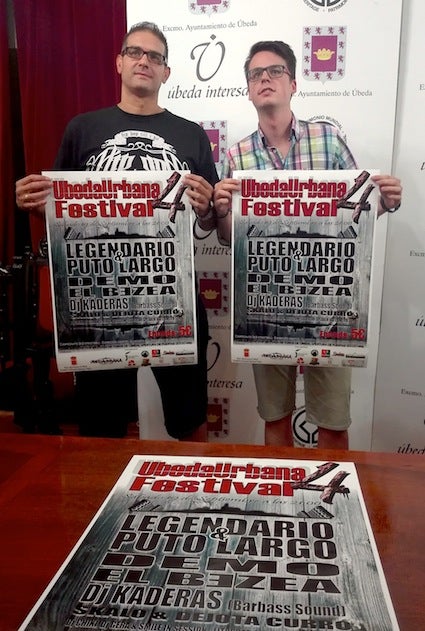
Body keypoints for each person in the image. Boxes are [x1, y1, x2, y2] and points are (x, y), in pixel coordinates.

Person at [15, 21, 219, 441]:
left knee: (190, 420)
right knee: (102, 428)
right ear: (119, 62)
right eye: (135, 52)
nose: (145, 60)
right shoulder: (82, 129)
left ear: (166, 72)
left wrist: (207, 208)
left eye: (155, 56)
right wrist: (34, 203)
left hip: (173, 298)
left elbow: (210, 219)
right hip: (99, 299)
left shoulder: (192, 135)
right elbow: (59, 215)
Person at [213, 40, 402, 450]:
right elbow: (229, 237)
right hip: (266, 300)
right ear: (248, 90)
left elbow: (357, 216)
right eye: (256, 74)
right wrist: (223, 209)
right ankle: (282, 490)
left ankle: (333, 491)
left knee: (333, 423)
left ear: (293, 83)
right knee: (275, 417)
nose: (265, 79)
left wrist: (384, 202)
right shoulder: (237, 155)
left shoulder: (328, 140)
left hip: (327, 300)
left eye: (275, 71)